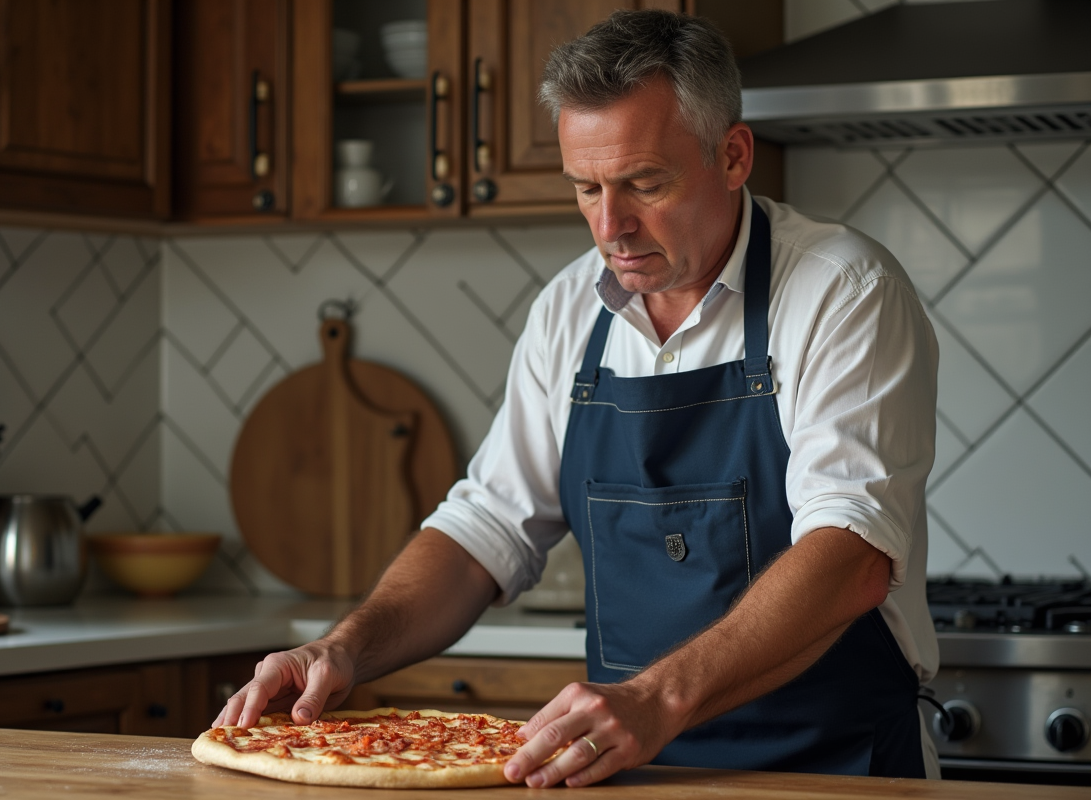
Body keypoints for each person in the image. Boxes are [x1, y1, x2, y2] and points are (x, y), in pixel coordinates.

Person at [215, 9, 940, 787]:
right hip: (631, 769)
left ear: (732, 156)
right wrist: (345, 646)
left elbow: (852, 553)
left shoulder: (843, 290)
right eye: (586, 188)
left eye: (644, 184)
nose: (610, 226)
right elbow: (486, 529)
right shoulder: (570, 309)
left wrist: (653, 699)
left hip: (834, 770)